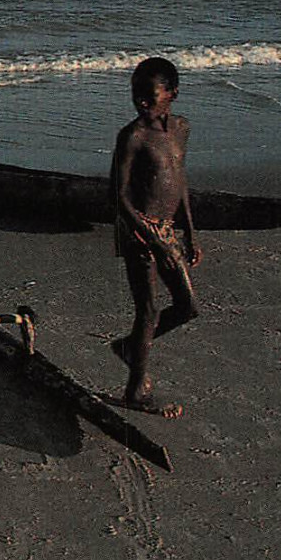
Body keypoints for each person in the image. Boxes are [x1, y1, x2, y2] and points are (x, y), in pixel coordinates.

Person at [108, 56, 202, 418]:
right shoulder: (132, 136)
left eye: (149, 97)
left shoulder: (181, 129)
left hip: (167, 230)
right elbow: (118, 196)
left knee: (187, 307)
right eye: (136, 97)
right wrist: (153, 239)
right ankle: (135, 390)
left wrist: (190, 233)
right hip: (138, 232)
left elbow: (180, 183)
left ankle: (131, 347)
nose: (141, 103)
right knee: (146, 310)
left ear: (172, 95)